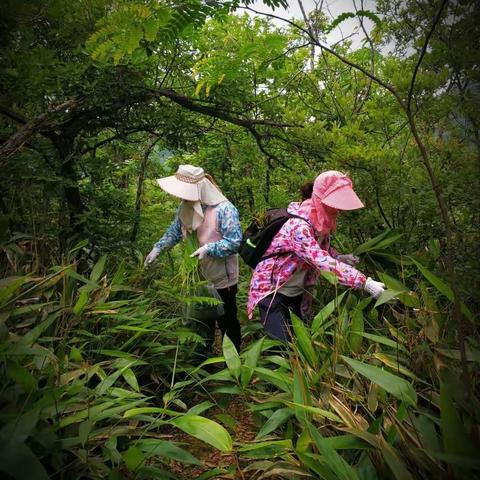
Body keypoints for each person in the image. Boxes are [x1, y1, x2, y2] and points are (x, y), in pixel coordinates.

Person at [247, 170, 385, 342]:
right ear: (320, 199)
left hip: (297, 291)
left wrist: (339, 257)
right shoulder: (298, 226)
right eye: (334, 203)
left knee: (299, 343)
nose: (338, 210)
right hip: (273, 291)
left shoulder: (319, 221)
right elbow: (319, 259)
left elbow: (320, 251)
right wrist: (364, 282)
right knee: (281, 347)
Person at [144, 164, 243, 353]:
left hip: (222, 278)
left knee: (227, 322)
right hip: (197, 278)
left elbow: (235, 242)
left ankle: (233, 363)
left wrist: (209, 248)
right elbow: (174, 231)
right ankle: (202, 362)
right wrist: (158, 248)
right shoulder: (186, 206)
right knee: (201, 321)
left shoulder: (224, 209)